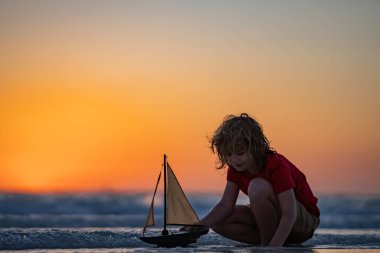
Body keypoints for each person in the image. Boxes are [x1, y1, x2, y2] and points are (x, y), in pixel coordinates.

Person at [197, 113, 320, 246]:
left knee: (257, 186)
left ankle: (269, 244)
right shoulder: (236, 168)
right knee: (217, 220)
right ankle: (265, 242)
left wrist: (274, 247)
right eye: (228, 154)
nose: (234, 160)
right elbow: (226, 205)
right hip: (274, 223)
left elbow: (289, 212)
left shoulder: (275, 164)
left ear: (255, 147)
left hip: (301, 222)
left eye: (240, 153)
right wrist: (198, 226)